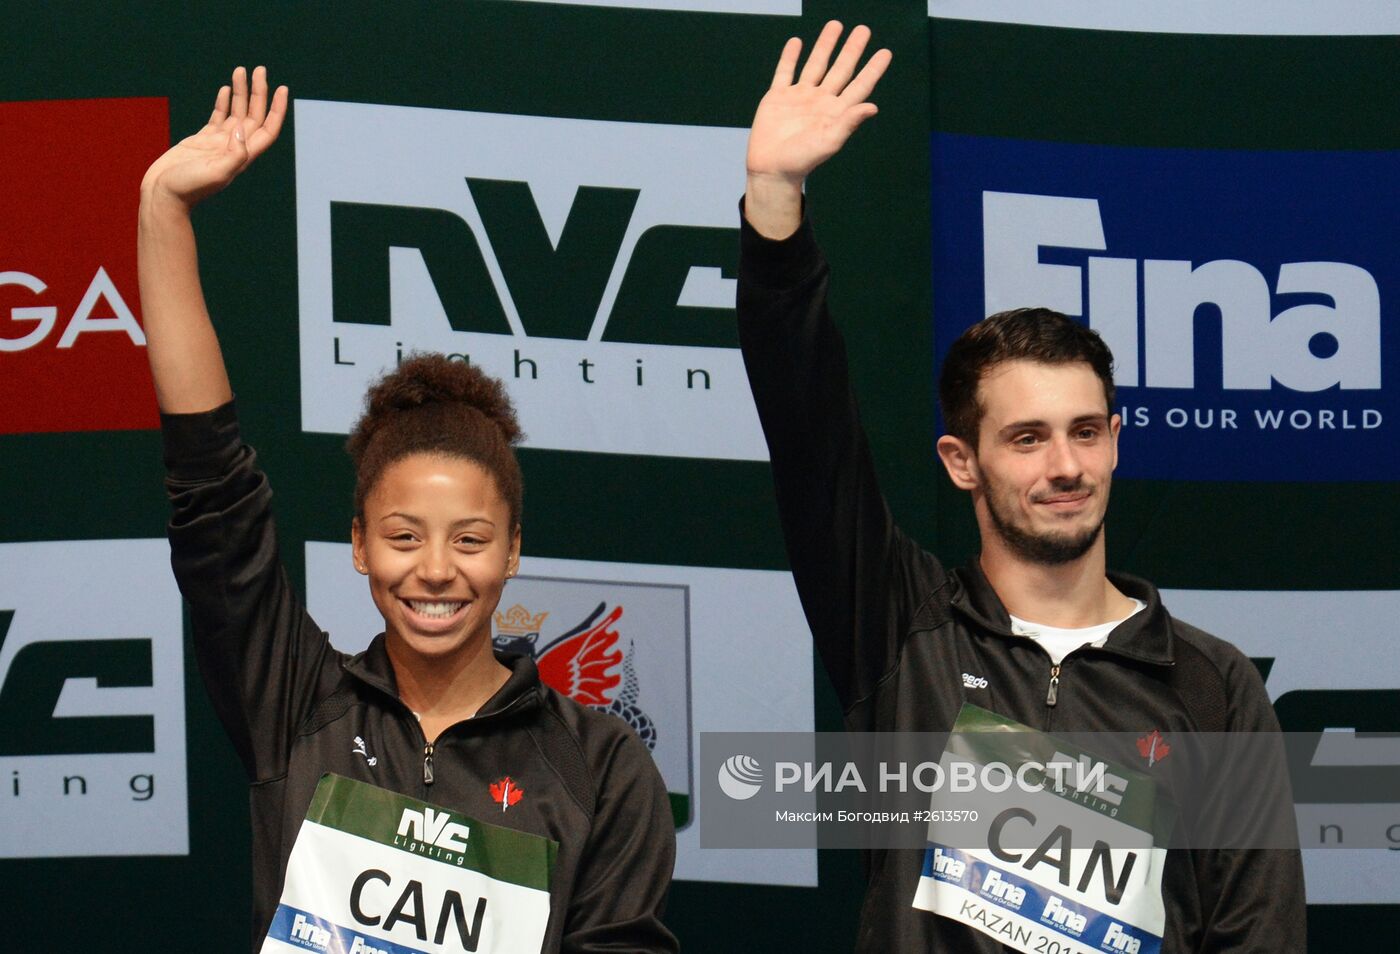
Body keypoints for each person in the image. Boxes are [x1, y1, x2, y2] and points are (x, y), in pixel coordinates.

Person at [737, 22, 1305, 952]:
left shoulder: (1211, 687)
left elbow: (1260, 935)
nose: (1065, 467)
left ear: (1117, 441)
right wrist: (774, 200)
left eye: (1086, 432)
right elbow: (809, 431)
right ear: (963, 462)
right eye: (1028, 438)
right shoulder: (899, 627)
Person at [139, 66, 678, 953]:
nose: (435, 569)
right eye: (402, 536)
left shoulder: (600, 763)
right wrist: (161, 206)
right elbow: (212, 490)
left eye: (470, 539)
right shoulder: (298, 704)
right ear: (358, 547)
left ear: (512, 551)